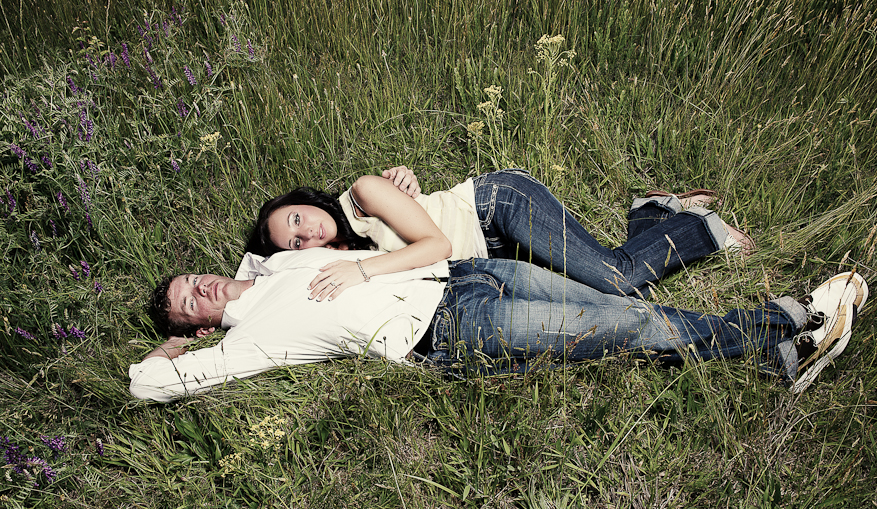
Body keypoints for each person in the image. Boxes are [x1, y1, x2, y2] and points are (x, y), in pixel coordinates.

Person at [129, 247, 866, 402]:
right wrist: (169, 347)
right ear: (197, 326)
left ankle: (777, 357)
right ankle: (788, 320)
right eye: (190, 299)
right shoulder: (249, 338)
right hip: (456, 331)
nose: (203, 286)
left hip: (471, 273)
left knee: (631, 316)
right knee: (635, 332)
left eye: (196, 275)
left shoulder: (276, 271)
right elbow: (149, 387)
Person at [245, 167, 754, 302]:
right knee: (601, 272)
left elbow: (438, 247)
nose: (307, 233)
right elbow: (255, 285)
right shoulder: (339, 258)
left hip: (500, 207)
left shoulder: (364, 194)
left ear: (305, 203)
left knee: (617, 282)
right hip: (498, 254)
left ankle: (698, 229)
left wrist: (360, 271)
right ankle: (653, 213)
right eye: (295, 243)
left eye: (296, 219)